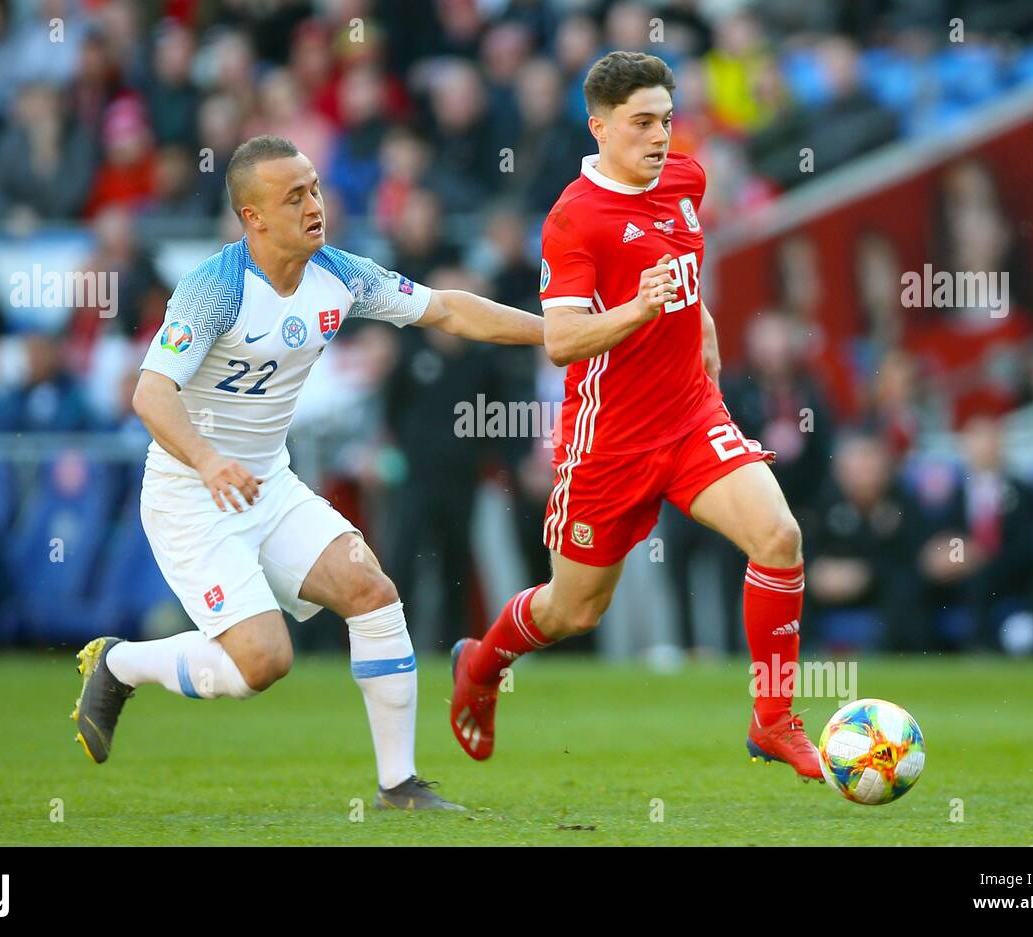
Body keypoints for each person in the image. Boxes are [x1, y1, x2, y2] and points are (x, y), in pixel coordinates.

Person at [69, 135, 544, 810]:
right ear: (253, 216)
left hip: (269, 483)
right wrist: (206, 460)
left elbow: (446, 307)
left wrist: (552, 331)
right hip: (190, 494)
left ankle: (398, 785)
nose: (314, 205)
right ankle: (119, 663)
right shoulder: (215, 288)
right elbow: (150, 392)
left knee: (370, 589)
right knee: (264, 662)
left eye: (315, 188)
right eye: (293, 197)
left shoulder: (340, 273)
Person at [449, 52, 821, 781]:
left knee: (778, 536)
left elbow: (682, 263)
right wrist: (641, 309)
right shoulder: (572, 221)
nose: (659, 138)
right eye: (642, 123)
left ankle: (772, 718)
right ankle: (483, 663)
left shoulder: (685, 178)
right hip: (608, 442)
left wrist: (700, 319)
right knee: (573, 610)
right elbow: (561, 340)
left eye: (667, 121)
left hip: (690, 416)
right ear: (599, 128)